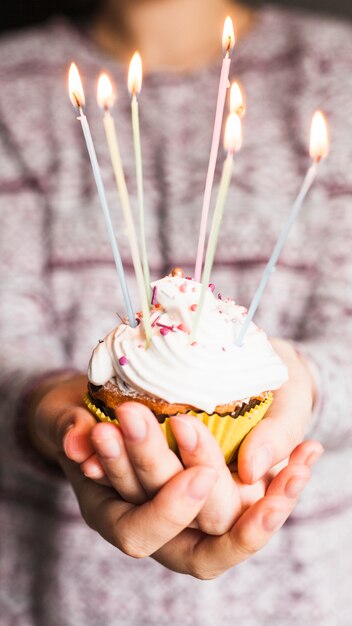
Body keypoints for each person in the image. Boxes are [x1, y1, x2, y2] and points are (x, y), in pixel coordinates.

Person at [0, 0, 351, 624]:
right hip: (48, 596)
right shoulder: (10, 89)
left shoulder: (339, 71)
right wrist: (49, 411)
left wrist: (308, 379)